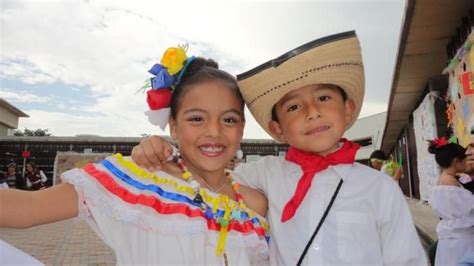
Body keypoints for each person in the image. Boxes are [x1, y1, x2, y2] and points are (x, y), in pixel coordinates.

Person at [131, 31, 426, 265]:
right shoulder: (263, 174)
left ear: (348, 110)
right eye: (294, 106)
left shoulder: (380, 189)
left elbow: (407, 259)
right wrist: (161, 151)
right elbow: (205, 177)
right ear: (277, 129)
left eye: (324, 98)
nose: (312, 112)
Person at [0, 48, 270, 265]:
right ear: (173, 125)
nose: (214, 131)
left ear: (242, 128)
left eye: (229, 119)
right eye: (196, 118)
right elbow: (28, 208)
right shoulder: (138, 182)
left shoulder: (256, 204)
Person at [428, 137, 474, 266]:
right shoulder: (450, 181)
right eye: (466, 159)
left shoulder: (442, 180)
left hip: (450, 240)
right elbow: (469, 209)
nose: (468, 163)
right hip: (461, 241)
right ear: (456, 161)